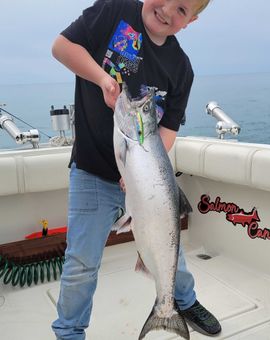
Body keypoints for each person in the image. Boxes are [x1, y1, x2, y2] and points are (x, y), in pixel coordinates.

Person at [51, 0, 221, 338]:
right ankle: (69, 332)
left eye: (182, 10)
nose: (169, 11)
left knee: (168, 246)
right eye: (169, 0)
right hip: (92, 172)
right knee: (81, 264)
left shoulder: (181, 68)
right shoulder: (114, 11)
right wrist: (102, 79)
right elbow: (61, 47)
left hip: (145, 179)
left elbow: (168, 130)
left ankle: (179, 302)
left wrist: (141, 171)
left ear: (191, 22)